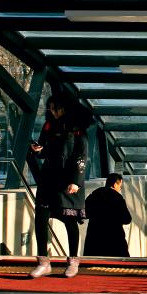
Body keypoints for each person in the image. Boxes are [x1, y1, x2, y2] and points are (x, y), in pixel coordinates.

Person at [27, 92, 88, 279]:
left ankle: (73, 261)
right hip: (48, 179)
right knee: (41, 218)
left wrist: (76, 181)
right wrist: (38, 150)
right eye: (51, 109)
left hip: (68, 181)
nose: (54, 112)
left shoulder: (77, 128)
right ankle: (43, 262)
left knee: (69, 220)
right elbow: (44, 151)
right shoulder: (48, 126)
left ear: (66, 108)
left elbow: (81, 155)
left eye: (57, 108)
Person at [84, 173, 132, 257]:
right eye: (120, 186)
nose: (120, 189)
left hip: (94, 241)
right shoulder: (118, 197)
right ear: (115, 184)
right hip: (114, 241)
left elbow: (85, 213)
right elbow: (127, 219)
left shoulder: (94, 195)